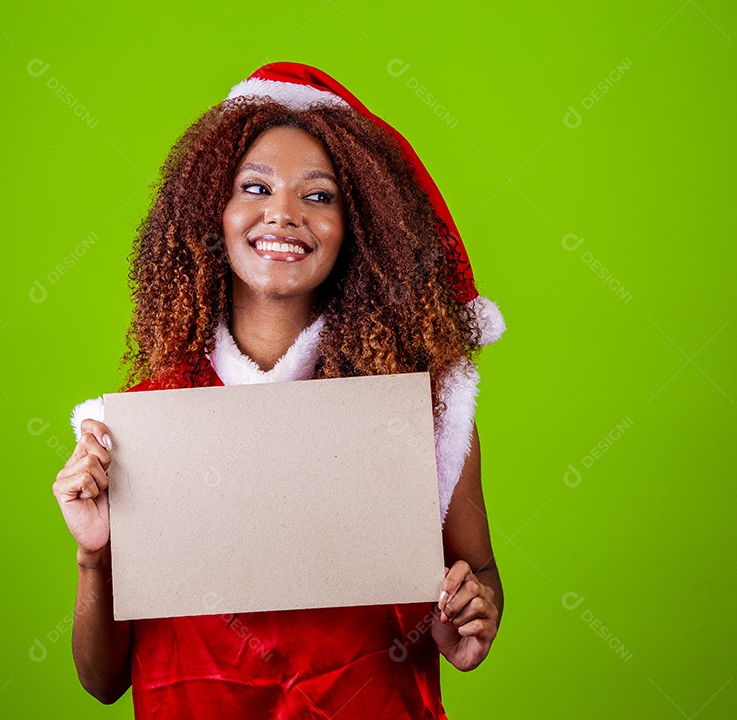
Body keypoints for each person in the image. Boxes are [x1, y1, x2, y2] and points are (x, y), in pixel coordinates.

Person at [52, 62, 507, 719]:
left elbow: (478, 575)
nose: (285, 214)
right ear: (215, 209)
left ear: (358, 226)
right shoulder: (143, 423)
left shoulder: (422, 411)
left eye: (319, 196)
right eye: (255, 187)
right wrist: (94, 557)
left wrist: (468, 615)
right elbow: (101, 682)